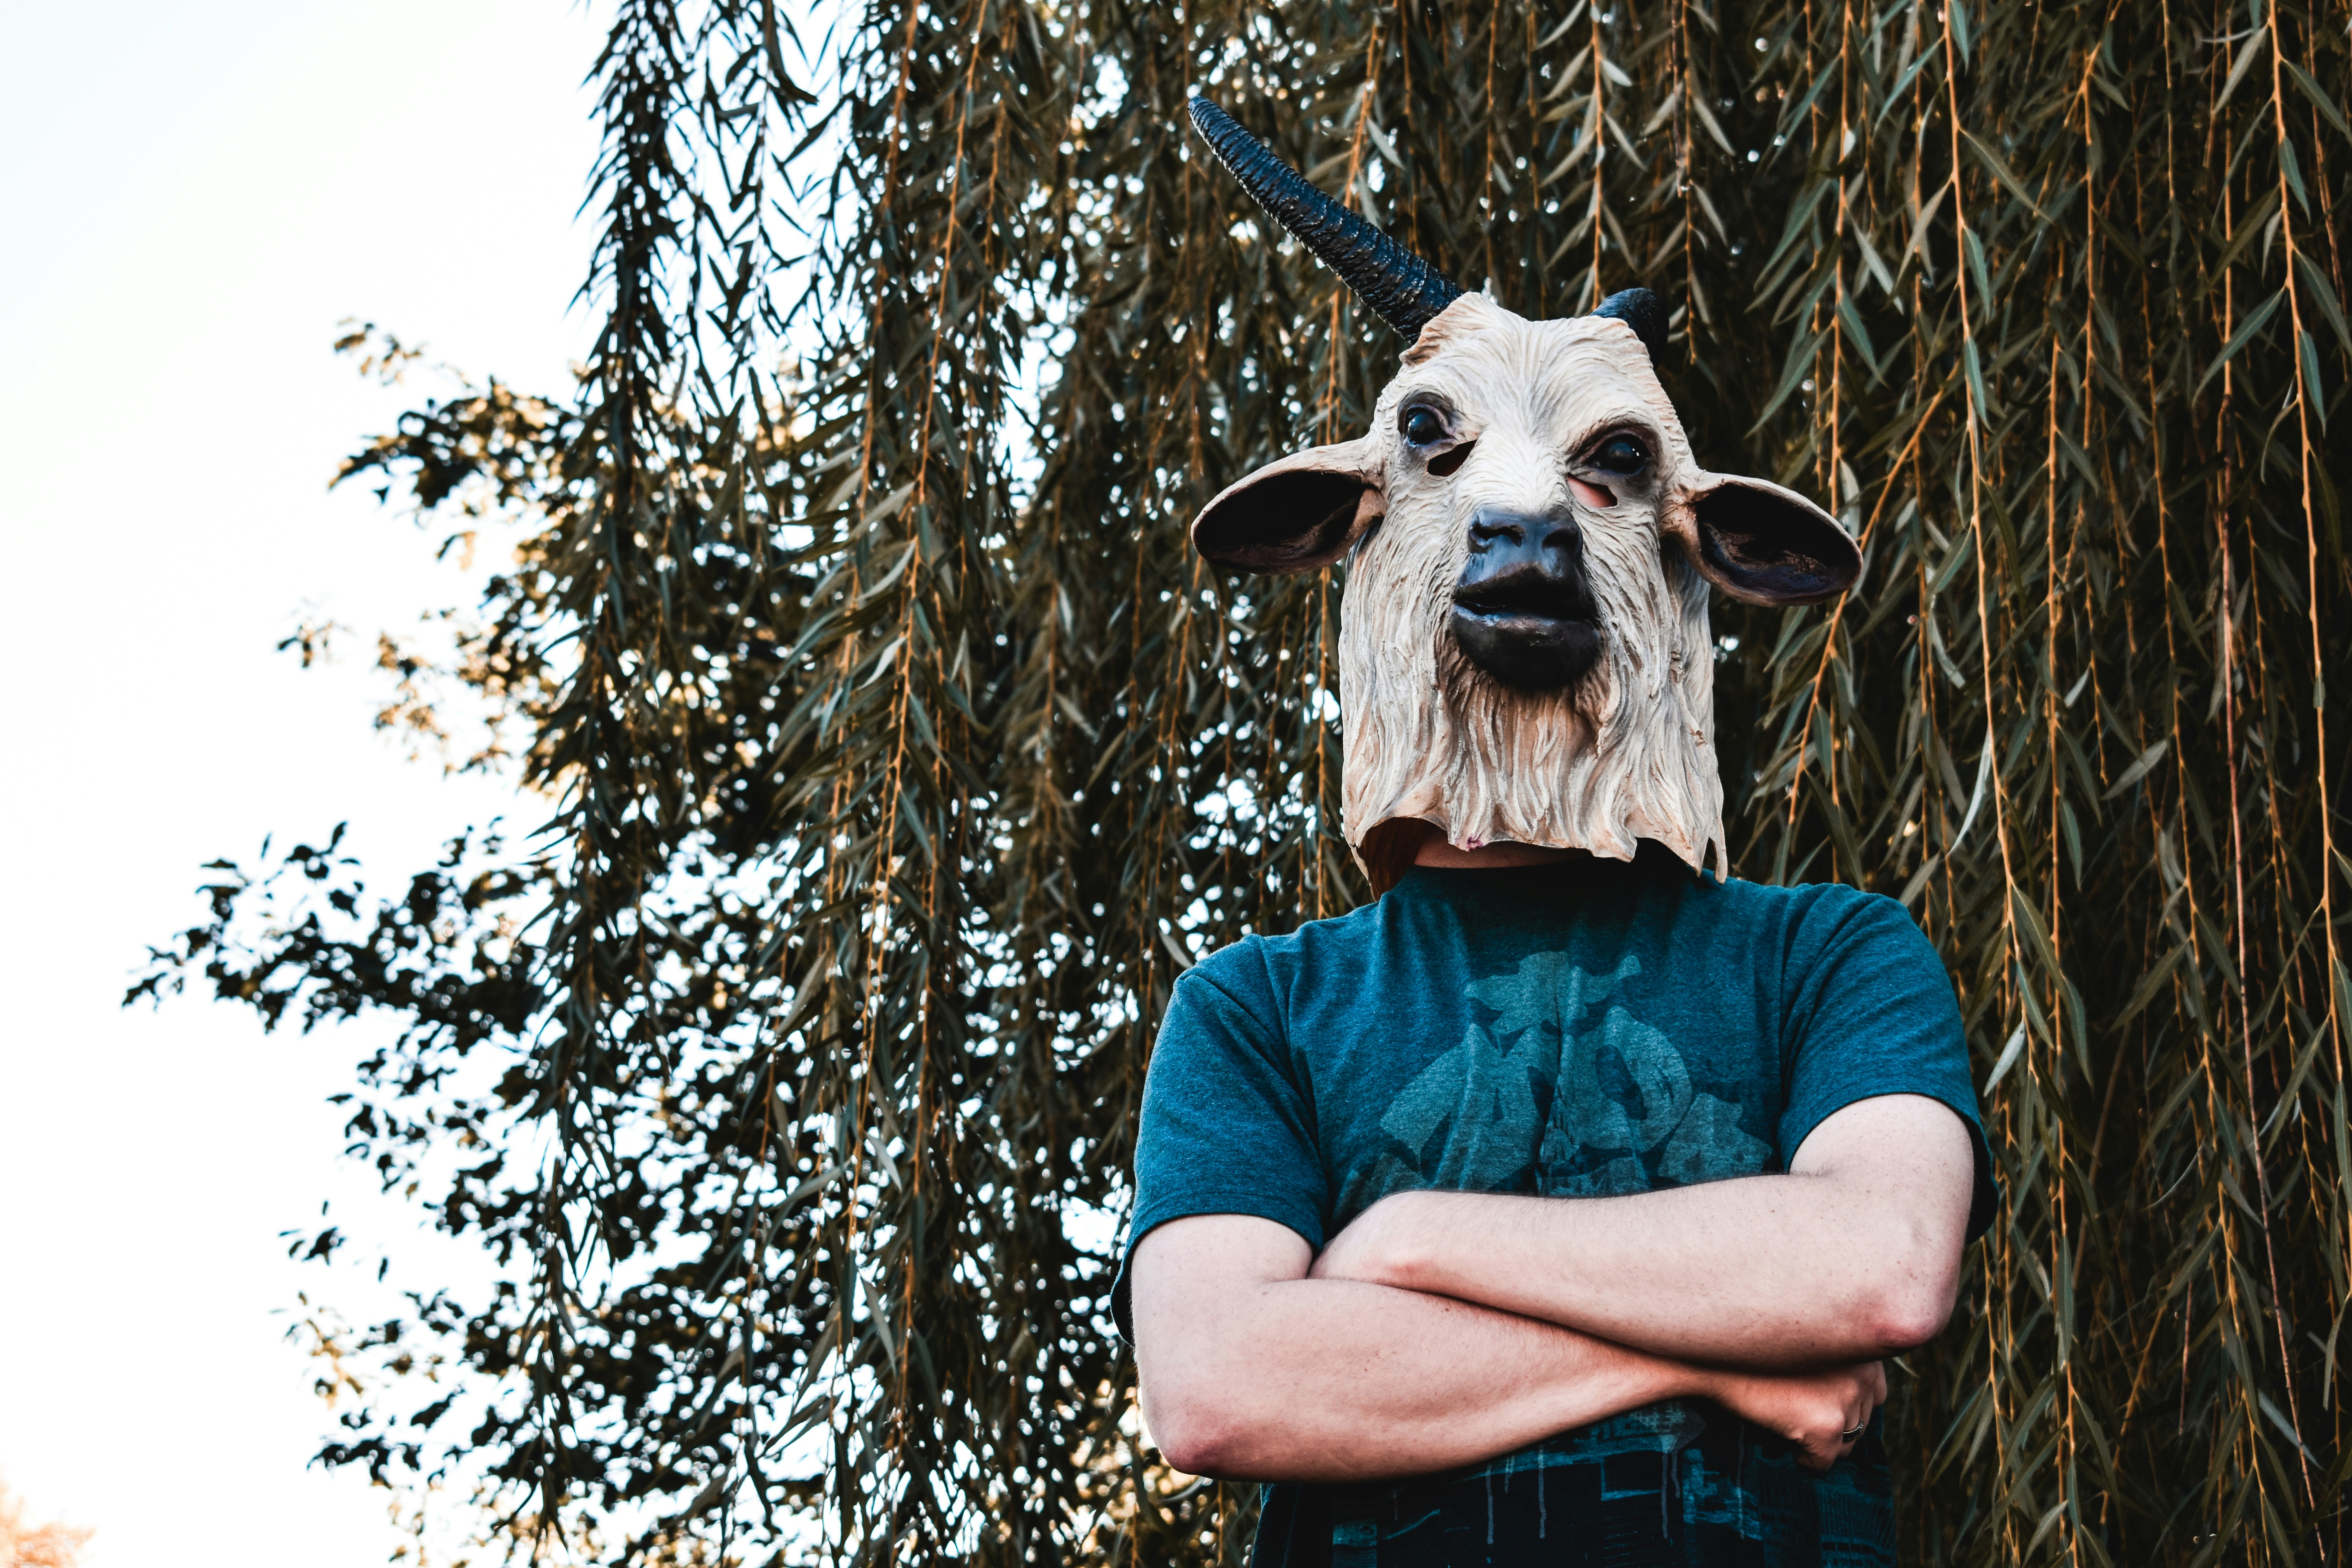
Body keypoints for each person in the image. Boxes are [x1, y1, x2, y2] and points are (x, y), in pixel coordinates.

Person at [1114, 100, 1996, 1567]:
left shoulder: (1830, 957)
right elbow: (1216, 1389)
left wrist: (1401, 1249)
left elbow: (1882, 1273)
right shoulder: (1256, 1010)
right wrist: (1718, 1353)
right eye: (1439, 446)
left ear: (1700, 539)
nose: (1525, 507)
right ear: (1357, 513)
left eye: (1610, 468)